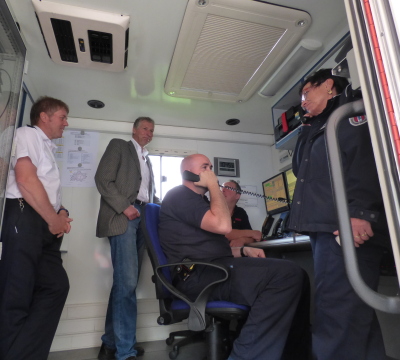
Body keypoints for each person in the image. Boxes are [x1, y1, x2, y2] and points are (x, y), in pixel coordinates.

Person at [159, 154, 308, 360]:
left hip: (213, 267)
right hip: (196, 275)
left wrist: (243, 251)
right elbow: (224, 226)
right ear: (188, 173)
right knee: (286, 276)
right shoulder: (179, 195)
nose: (211, 172)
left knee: (298, 274)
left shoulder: (199, 203)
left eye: (211, 167)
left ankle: (292, 354)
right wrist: (214, 188)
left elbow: (209, 248)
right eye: (205, 167)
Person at [288, 68, 390, 360]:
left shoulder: (349, 112)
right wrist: (306, 129)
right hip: (327, 227)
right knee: (354, 313)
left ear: (329, 84)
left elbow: (365, 159)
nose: (303, 102)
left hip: (346, 225)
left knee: (336, 312)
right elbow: (300, 170)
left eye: (306, 93)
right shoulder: (320, 123)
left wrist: (360, 214)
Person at [0, 96, 72, 359]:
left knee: (56, 286)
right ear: (44, 116)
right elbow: (25, 179)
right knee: (16, 295)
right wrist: (54, 219)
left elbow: (46, 189)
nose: (66, 123)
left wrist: (61, 212)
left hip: (43, 224)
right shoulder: (26, 134)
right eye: (62, 117)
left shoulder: (46, 147)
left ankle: (22, 354)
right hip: (24, 217)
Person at [95, 117, 160, 360]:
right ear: (134, 130)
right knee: (127, 284)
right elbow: (103, 180)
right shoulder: (119, 146)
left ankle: (111, 342)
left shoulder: (148, 159)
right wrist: (125, 207)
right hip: (125, 216)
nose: (149, 133)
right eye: (145, 128)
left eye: (152, 130)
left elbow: (147, 192)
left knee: (125, 283)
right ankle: (125, 351)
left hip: (143, 218)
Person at [221, 180, 262, 247]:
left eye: (228, 188)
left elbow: (253, 238)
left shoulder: (240, 212)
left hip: (235, 252)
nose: (223, 189)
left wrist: (242, 240)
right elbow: (222, 234)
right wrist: (251, 233)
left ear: (237, 196)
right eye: (221, 187)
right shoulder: (211, 209)